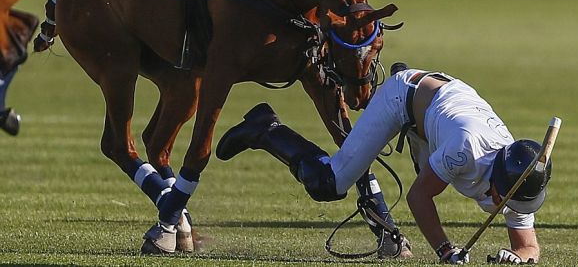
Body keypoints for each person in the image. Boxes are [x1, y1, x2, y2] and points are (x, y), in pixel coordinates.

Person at [216, 63, 552, 263]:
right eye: (500, 196)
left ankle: (387, 237)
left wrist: (518, 260)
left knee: (429, 167)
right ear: (497, 177)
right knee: (329, 184)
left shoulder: (522, 175)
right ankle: (266, 129)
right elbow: (419, 198)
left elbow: (528, 247)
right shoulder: (466, 150)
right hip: (403, 97)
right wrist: (447, 252)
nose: (500, 204)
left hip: (439, 111)